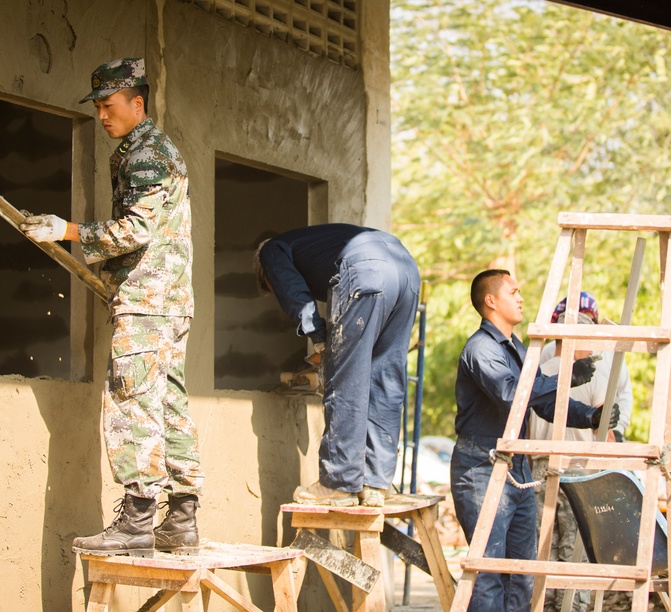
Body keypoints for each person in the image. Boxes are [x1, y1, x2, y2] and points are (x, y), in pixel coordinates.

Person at [20, 57, 203, 557]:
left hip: (147, 302)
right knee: (168, 404)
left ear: (136, 103)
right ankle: (182, 519)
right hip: (167, 302)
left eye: (109, 105)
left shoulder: (145, 154)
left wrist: (67, 230)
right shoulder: (153, 148)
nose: (102, 115)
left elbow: (136, 229)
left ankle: (138, 521)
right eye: (97, 107)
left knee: (132, 401)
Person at [452, 270, 618, 612]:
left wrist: (589, 416)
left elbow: (542, 402)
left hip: (516, 466)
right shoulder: (481, 348)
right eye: (513, 292)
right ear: (490, 301)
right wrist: (567, 375)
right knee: (488, 571)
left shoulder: (516, 348)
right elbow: (512, 395)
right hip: (483, 466)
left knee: (522, 572)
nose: (521, 298)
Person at [254, 223, 420, 507]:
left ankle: (339, 484)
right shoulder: (313, 244)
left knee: (346, 379)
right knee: (385, 377)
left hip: (367, 272)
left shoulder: (271, 251)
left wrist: (321, 341)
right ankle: (375, 484)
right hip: (406, 270)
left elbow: (293, 292)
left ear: (264, 273)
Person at [529, 293, 634, 612]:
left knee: (543, 548)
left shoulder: (538, 372)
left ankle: (543, 606)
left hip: (538, 469)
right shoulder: (592, 373)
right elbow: (606, 431)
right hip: (580, 470)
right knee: (576, 550)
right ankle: (572, 607)